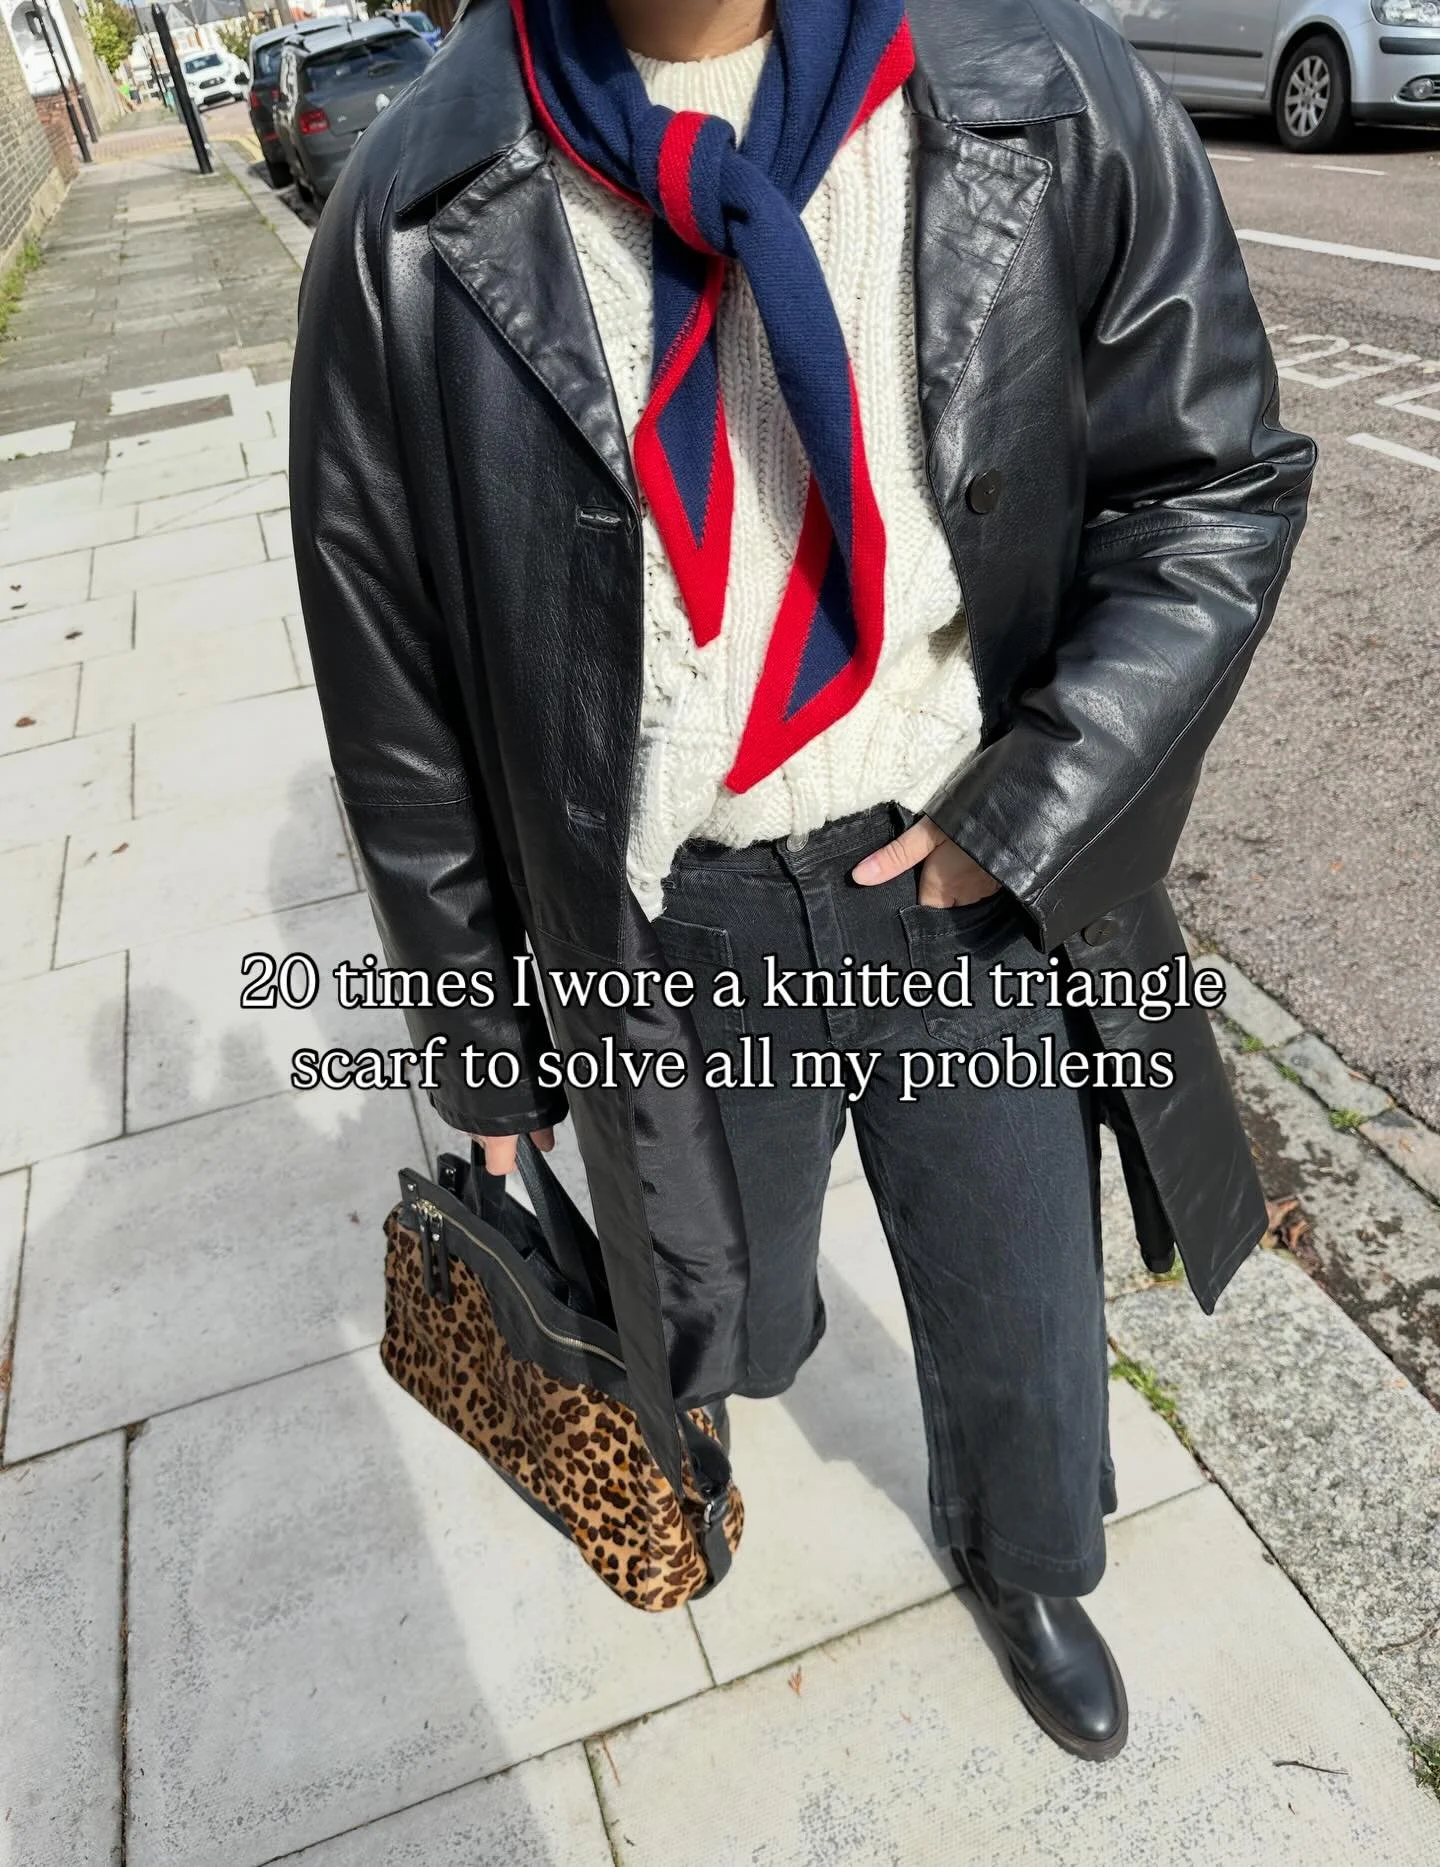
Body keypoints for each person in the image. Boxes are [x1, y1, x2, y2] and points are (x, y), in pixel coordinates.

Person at [290, 0, 1314, 1761]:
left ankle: (1022, 1556)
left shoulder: (1042, 93)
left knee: (1019, 1290)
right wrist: (487, 1053)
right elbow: (399, 708)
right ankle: (752, 1336)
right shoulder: (410, 211)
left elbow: (1212, 479)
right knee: (728, 1316)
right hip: (672, 913)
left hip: (956, 856)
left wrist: (1041, 797)